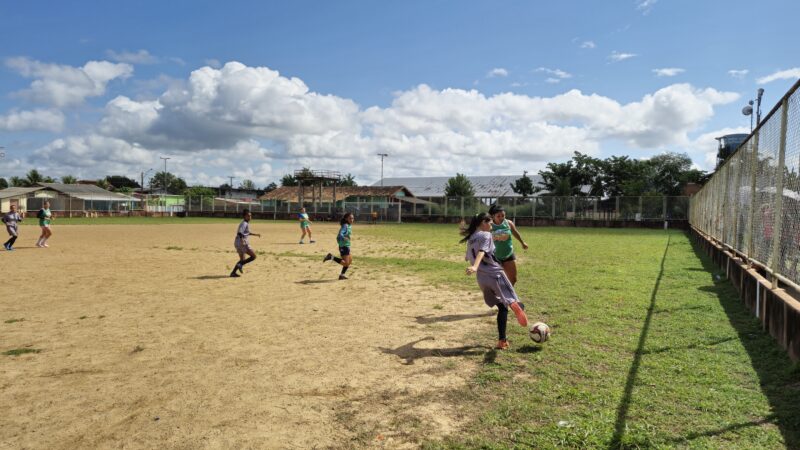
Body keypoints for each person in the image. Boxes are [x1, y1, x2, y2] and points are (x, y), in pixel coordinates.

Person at [462, 212, 529, 350]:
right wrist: (475, 266)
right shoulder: (486, 235)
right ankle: (514, 304)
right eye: (489, 221)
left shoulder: (471, 239)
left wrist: (474, 265)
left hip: (482, 279)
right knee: (511, 301)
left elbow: (467, 257)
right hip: (495, 275)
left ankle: (502, 341)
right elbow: (481, 251)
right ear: (482, 223)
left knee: (501, 307)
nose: (492, 224)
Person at [488, 203, 529, 285]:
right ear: (493, 216)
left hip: (508, 254)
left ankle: (509, 295)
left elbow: (515, 232)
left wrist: (522, 243)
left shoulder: (508, 223)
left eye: (503, 215)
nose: (501, 218)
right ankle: (497, 296)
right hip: (494, 256)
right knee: (496, 281)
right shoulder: (489, 226)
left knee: (513, 279)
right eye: (498, 216)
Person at [323, 212, 354, 280]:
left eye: (352, 218)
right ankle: (331, 257)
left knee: (350, 261)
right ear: (346, 219)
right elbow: (340, 234)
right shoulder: (345, 225)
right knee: (346, 263)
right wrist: (344, 238)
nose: (352, 220)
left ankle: (342, 275)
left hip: (347, 245)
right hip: (343, 245)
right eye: (350, 218)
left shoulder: (349, 225)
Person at [230, 209, 261, 277]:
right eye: (248, 216)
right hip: (242, 242)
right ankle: (240, 265)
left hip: (237, 242)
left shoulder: (243, 222)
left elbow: (246, 232)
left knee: (242, 260)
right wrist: (242, 240)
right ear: (244, 216)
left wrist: (255, 234)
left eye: (250, 216)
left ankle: (233, 273)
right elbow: (240, 233)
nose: (250, 217)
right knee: (253, 256)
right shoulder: (245, 223)